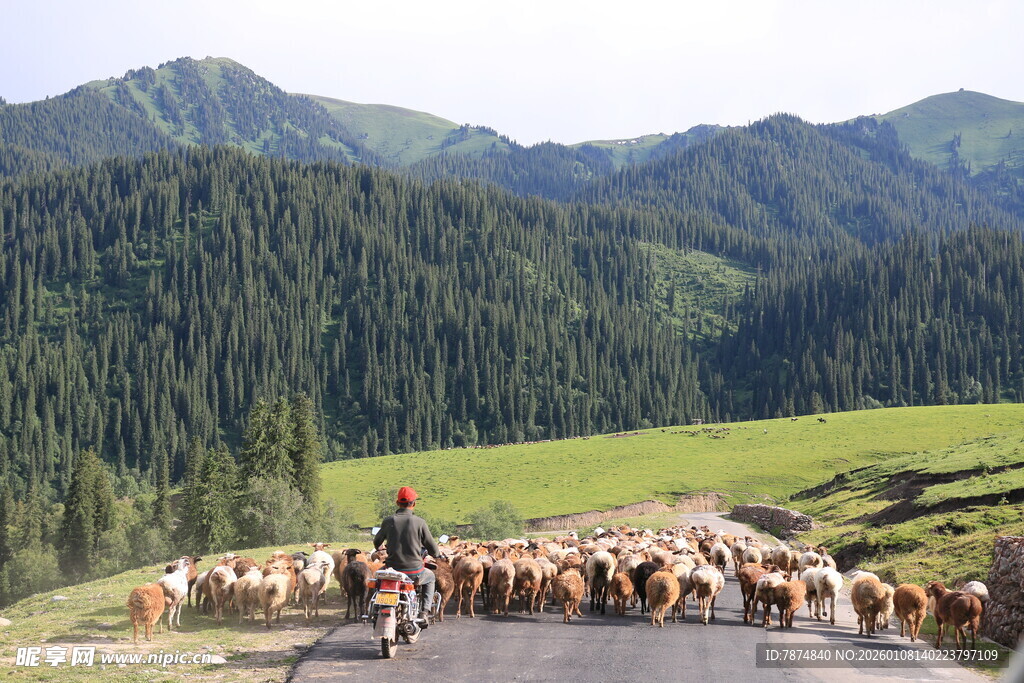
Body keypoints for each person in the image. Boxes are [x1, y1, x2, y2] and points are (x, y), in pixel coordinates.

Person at [373, 486, 440, 621]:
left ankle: (376, 608)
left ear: (398, 503)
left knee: (378, 580)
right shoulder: (420, 522)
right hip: (414, 572)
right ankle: (425, 612)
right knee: (431, 577)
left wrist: (381, 548)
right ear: (414, 504)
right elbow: (432, 548)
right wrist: (436, 554)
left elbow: (377, 541)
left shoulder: (388, 521)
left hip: (392, 570)